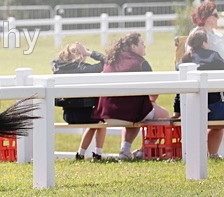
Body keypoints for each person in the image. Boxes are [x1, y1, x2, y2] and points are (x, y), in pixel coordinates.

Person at [92, 32, 170, 160]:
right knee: (164, 115)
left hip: (107, 113)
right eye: (142, 44)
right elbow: (154, 92)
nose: (145, 46)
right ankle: (145, 149)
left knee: (136, 111)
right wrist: (151, 102)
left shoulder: (110, 60)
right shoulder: (141, 63)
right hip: (130, 112)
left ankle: (125, 150)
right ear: (133, 47)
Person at [51, 42, 106, 160]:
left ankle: (80, 154)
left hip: (68, 115)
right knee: (101, 123)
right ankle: (97, 154)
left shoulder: (58, 68)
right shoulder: (83, 68)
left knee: (94, 124)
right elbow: (106, 62)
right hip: (85, 114)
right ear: (81, 55)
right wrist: (90, 53)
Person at [178, 29, 224, 159]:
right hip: (214, 107)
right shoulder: (214, 56)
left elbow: (178, 91)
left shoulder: (183, 60)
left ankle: (195, 155)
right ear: (204, 43)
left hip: (189, 109)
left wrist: (177, 111)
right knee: (218, 126)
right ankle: (213, 154)